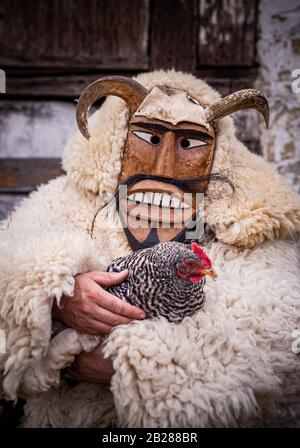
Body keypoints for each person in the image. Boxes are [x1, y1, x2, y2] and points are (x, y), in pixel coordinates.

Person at [0, 70, 299, 427]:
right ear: (117, 139)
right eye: (148, 137)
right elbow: (8, 274)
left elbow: (275, 336)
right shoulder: (62, 202)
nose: (164, 167)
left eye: (190, 143)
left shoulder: (251, 223)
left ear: (217, 153)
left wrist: (139, 361)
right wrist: (55, 297)